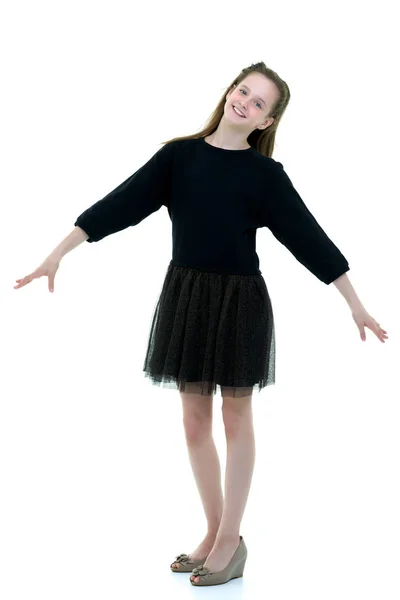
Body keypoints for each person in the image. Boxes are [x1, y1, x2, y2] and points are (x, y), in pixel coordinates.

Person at [13, 61, 389, 586]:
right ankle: (215, 533)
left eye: (259, 102)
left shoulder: (264, 176)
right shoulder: (179, 157)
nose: (245, 103)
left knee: (235, 420)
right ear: (229, 91)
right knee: (193, 424)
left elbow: (309, 238)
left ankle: (232, 538)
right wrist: (59, 253)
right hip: (186, 295)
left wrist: (355, 302)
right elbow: (120, 204)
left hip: (239, 301)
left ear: (266, 121)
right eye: (243, 91)